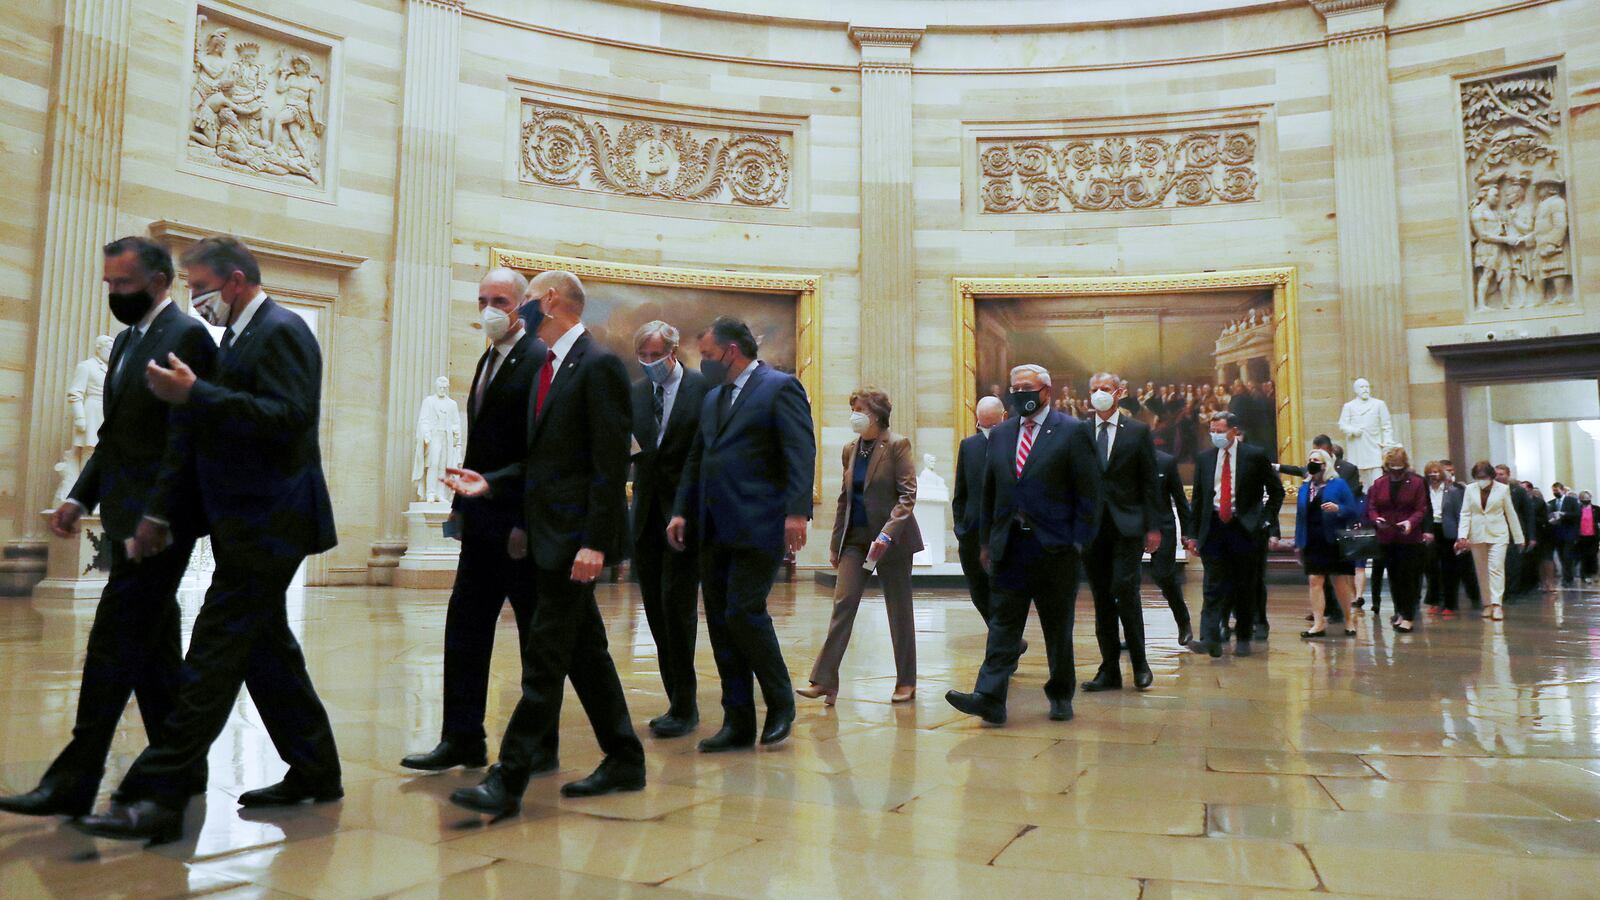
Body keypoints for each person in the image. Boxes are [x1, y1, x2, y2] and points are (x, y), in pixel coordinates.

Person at [75, 236, 341, 844]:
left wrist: (197, 393)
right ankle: (317, 769)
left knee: (213, 656)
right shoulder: (244, 334)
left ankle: (159, 792)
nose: (194, 298)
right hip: (248, 520)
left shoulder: (282, 330)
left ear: (237, 280)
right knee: (266, 652)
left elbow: (290, 418)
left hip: (274, 521)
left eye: (199, 287)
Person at [0, 238, 218, 820]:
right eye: (108, 283)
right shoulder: (126, 341)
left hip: (159, 524)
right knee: (153, 648)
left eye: (122, 284)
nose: (112, 294)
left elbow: (186, 437)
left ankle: (75, 776)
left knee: (112, 641)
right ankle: (184, 763)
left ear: (156, 280)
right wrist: (79, 496)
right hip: (127, 513)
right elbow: (117, 435)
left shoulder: (188, 335)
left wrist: (159, 515)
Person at [444, 270, 646, 815]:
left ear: (550, 301)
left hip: (571, 541)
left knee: (544, 662)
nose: (521, 311)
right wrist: (492, 482)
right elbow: (547, 460)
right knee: (587, 656)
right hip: (549, 534)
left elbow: (608, 464)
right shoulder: (552, 367)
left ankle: (507, 779)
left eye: (527, 301)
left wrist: (595, 544)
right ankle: (625, 757)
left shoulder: (597, 364)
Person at [400, 268, 546, 773]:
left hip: (520, 526)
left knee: (535, 639)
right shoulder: (488, 358)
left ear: (522, 305)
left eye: (499, 299)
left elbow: (542, 450)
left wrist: (518, 510)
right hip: (482, 522)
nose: (488, 307)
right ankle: (462, 737)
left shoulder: (538, 359)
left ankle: (538, 744)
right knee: (464, 630)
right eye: (482, 298)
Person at [667, 316, 814, 752]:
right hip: (712, 525)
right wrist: (680, 511)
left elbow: (799, 450)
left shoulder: (779, 386)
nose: (704, 363)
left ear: (732, 351)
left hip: (759, 522)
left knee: (743, 612)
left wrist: (797, 513)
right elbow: (697, 459)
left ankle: (781, 701)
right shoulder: (713, 397)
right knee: (720, 622)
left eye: (708, 355)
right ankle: (737, 721)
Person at [945, 364, 1097, 725]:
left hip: (1055, 547)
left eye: (1026, 387)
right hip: (1009, 545)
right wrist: (986, 541)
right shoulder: (1000, 434)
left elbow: (1089, 495)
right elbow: (989, 493)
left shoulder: (1072, 432)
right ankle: (990, 696)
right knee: (1002, 625)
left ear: (1046, 391)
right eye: (1014, 389)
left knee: (1057, 627)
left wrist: (1078, 543)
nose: (1019, 394)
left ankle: (1060, 693)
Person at [799, 388, 922, 705]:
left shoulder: (897, 445)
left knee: (899, 610)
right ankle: (825, 680)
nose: (854, 413)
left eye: (859, 408)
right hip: (855, 539)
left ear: (876, 414)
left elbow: (907, 495)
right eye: (852, 408)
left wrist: (886, 534)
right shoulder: (850, 449)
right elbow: (845, 498)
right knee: (843, 606)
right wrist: (835, 541)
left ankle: (906, 682)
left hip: (891, 541)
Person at [627, 320, 710, 738]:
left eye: (655, 356)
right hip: (644, 518)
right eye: (642, 357)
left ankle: (685, 705)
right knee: (656, 614)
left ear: (673, 352)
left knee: (678, 610)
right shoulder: (636, 392)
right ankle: (675, 697)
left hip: (684, 517)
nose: (648, 364)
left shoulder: (701, 390)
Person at [1080, 374, 1161, 694]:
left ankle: (1140, 664)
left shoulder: (1137, 431)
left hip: (1127, 524)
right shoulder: (1080, 431)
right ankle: (1109, 669)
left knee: (1125, 590)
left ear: (1120, 393)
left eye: (1106, 389)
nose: (1099, 394)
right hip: (1092, 527)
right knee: (1101, 598)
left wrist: (1153, 527)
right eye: (1094, 389)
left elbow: (1149, 482)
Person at [1185, 412, 1284, 658]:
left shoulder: (1254, 456)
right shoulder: (1205, 458)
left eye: (1220, 431)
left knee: (1244, 584)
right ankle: (1209, 638)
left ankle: (1243, 637)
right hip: (1215, 526)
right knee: (1212, 584)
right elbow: (1198, 499)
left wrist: (1265, 519)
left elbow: (1276, 491)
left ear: (1233, 431)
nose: (1215, 435)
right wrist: (1192, 534)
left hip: (1245, 528)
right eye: (1212, 431)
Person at [1296, 449, 1360, 638]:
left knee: (1339, 580)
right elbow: (1301, 516)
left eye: (1316, 460)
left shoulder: (1338, 484)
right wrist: (1298, 542)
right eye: (1310, 460)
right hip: (1312, 539)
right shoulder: (1305, 487)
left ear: (1325, 464)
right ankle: (1318, 623)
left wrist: (1338, 508)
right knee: (1315, 580)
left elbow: (1353, 511)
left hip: (1333, 539)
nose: (1312, 463)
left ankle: (1348, 619)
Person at [953, 396, 1005, 625]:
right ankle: (1003, 639)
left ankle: (1003, 642)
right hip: (972, 533)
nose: (989, 431)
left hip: (1002, 532)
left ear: (1003, 418)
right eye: (984, 426)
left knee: (1002, 592)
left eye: (993, 425)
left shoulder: (1015, 444)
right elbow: (960, 493)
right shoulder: (968, 446)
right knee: (978, 591)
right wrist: (960, 527)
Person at [1366, 447, 1429, 633]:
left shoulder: (1417, 483)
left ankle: (1408, 616)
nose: (1396, 473)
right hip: (1386, 537)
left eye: (1399, 469)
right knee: (1393, 577)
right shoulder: (1379, 483)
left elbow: (1421, 508)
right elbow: (1372, 507)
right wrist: (1376, 519)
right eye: (1392, 468)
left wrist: (1411, 522)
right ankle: (1400, 611)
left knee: (1408, 577)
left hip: (1409, 537)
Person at [1456, 461, 1526, 621]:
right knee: (1481, 570)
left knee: (1496, 568)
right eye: (1478, 477)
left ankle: (1497, 605)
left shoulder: (1502, 489)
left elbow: (1511, 514)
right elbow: (1465, 513)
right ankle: (1487, 604)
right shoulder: (1470, 489)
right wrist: (1462, 535)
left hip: (1498, 534)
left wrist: (1519, 537)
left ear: (1491, 476)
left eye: (1485, 477)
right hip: (1477, 534)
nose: (1482, 480)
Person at [1152, 445, 1194, 647]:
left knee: (1164, 576)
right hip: (1132, 527)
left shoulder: (1165, 461)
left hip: (1163, 527)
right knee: (1127, 582)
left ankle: (1183, 621)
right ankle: (1132, 634)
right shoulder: (1125, 459)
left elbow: (1180, 498)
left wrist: (1188, 533)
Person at [1424, 460, 1472, 616]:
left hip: (1448, 531)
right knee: (1432, 568)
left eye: (1436, 472)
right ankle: (1434, 601)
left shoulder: (1452, 491)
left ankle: (1450, 604)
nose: (1434, 475)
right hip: (1432, 530)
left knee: (1449, 569)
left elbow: (1460, 514)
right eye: (1431, 472)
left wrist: (1462, 536)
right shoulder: (1424, 491)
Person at [1495, 464, 1537, 596]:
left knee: (1514, 564)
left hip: (1515, 532)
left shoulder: (1518, 491)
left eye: (1501, 474)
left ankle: (1513, 591)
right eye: (1496, 474)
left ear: (1508, 475)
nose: (1499, 477)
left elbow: (1528, 514)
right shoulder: (1490, 490)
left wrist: (1531, 536)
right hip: (1497, 532)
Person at [1549, 483, 1581, 587]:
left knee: (1568, 556)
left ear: (1562, 490)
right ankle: (1567, 576)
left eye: (1557, 490)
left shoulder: (1571, 501)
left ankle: (1567, 578)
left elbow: (1577, 514)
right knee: (1561, 556)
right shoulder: (1551, 503)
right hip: (1556, 534)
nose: (1555, 492)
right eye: (1553, 491)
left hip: (1569, 533)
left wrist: (1564, 514)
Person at [1576, 490, 1597, 584]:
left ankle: (1593, 574)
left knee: (1593, 555)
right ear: (1580, 499)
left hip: (1593, 536)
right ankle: (1585, 575)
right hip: (1581, 536)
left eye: (1588, 498)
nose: (1586, 500)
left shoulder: (1596, 509)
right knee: (1584, 556)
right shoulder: (1577, 509)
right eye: (1584, 498)